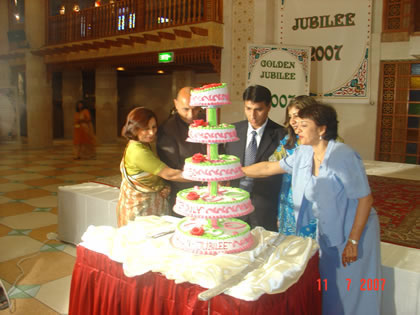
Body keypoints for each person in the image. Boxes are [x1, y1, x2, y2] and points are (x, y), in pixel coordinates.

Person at [243, 104, 381, 315]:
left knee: (353, 291)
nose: (296, 129)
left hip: (355, 232)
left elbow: (365, 199)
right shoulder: (304, 153)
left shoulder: (343, 155)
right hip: (328, 232)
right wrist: (232, 170)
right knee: (329, 288)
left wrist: (353, 241)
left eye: (304, 125)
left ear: (322, 129)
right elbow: (269, 168)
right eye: (296, 124)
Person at [224, 85, 287, 231]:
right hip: (234, 206)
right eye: (248, 109)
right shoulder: (231, 131)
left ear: (269, 107)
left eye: (258, 109)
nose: (253, 115)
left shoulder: (281, 136)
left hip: (265, 209)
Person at [117, 107, 189, 227]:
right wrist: (203, 176)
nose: (151, 133)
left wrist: (164, 186)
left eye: (154, 127)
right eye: (145, 129)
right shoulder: (138, 152)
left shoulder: (142, 145)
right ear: (134, 128)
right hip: (140, 210)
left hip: (147, 206)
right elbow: (170, 174)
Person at [269, 95, 319, 237]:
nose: (292, 121)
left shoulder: (325, 143)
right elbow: (270, 166)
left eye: (296, 116)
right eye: (290, 116)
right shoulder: (287, 142)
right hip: (288, 203)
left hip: (313, 203)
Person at [157, 87, 206, 213]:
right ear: (176, 104)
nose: (191, 115)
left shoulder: (207, 122)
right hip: (183, 193)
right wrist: (204, 176)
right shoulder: (168, 129)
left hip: (208, 192)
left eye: (195, 108)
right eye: (186, 109)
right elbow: (172, 168)